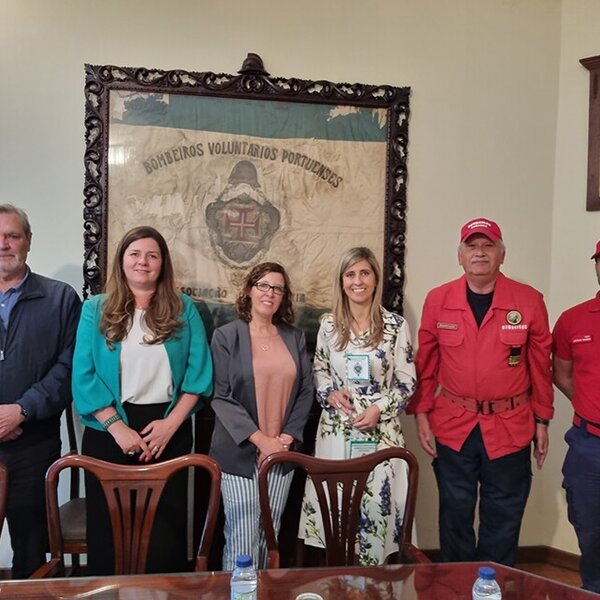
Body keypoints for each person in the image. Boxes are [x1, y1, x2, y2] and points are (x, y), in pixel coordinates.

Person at [407, 217, 553, 566]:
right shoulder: (438, 300)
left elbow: (540, 366)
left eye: (488, 245)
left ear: (502, 254)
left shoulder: (529, 300)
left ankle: (493, 585)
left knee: (503, 517)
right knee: (454, 513)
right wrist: (422, 412)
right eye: (471, 246)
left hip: (510, 426)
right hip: (455, 425)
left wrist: (542, 420)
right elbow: (426, 363)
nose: (480, 253)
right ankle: (455, 586)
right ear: (460, 256)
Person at [72, 226, 212, 575]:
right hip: (108, 432)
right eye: (134, 254)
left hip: (168, 429)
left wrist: (171, 425)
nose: (143, 262)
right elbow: (84, 376)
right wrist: (117, 427)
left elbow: (198, 376)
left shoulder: (183, 309)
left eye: (152, 255)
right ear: (122, 260)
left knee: (165, 533)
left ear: (163, 263)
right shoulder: (95, 309)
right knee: (110, 532)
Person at [298, 246, 416, 565]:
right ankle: (340, 582)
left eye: (364, 273)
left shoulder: (395, 326)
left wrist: (379, 408)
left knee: (377, 511)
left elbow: (407, 382)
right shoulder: (328, 325)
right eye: (350, 274)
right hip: (338, 430)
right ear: (342, 281)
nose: (358, 281)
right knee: (337, 511)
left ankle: (375, 584)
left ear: (376, 279)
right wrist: (330, 394)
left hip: (381, 433)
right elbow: (319, 371)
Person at [209, 262, 314, 570]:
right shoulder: (226, 336)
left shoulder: (294, 337)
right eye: (263, 285)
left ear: (284, 296)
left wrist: (286, 438)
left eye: (278, 288)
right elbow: (221, 396)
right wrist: (262, 441)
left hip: (282, 452)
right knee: (242, 539)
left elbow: (306, 389)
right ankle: (240, 591)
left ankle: (266, 591)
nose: (270, 293)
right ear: (249, 290)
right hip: (239, 453)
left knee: (270, 537)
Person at [0, 204, 81, 578]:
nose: (4, 244)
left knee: (31, 552)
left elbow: (68, 369)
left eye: (12, 236)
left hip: (33, 446)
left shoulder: (60, 299)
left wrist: (21, 411)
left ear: (28, 241)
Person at [553, 240, 600, 593]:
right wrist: (588, 406)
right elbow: (563, 375)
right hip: (588, 445)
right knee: (590, 531)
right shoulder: (572, 320)